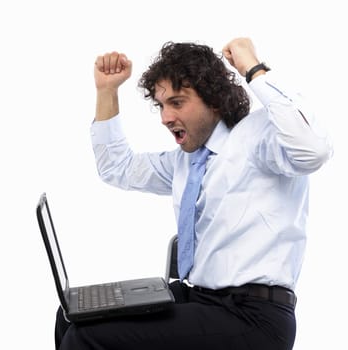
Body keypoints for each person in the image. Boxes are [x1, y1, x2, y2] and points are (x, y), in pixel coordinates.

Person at [55, 37, 332, 349]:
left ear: (214, 100)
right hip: (201, 297)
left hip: (253, 317)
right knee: (72, 315)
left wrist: (253, 69)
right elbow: (117, 168)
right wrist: (107, 91)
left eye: (177, 102)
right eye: (161, 105)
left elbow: (313, 150)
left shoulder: (260, 141)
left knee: (86, 339)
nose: (165, 118)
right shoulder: (187, 161)